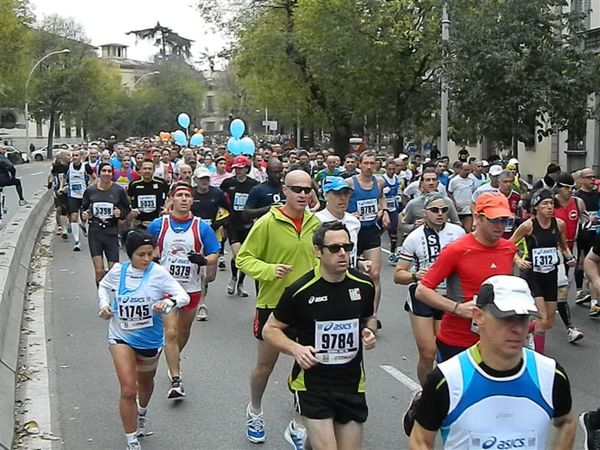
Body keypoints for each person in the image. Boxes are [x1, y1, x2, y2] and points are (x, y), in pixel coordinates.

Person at [409, 275, 576, 450]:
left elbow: (567, 422)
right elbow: (420, 440)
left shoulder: (551, 374)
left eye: (523, 317)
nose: (518, 329)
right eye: (506, 317)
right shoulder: (447, 379)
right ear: (478, 316)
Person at [262, 221, 377, 450]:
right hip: (313, 384)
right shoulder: (300, 291)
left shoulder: (364, 285)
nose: (342, 253)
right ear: (318, 251)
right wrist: (296, 349)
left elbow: (368, 318)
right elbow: (270, 330)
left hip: (351, 383)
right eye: (334, 248)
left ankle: (307, 444)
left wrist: (369, 332)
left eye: (347, 246)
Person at [236, 169, 321, 445]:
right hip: (273, 305)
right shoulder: (267, 223)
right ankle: (255, 409)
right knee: (265, 366)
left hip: (309, 306)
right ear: (284, 191)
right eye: (297, 189)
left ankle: (298, 423)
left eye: (307, 190)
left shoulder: (315, 223)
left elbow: (324, 260)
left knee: (309, 363)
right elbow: (243, 259)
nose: (302, 195)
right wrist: (270, 270)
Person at [98, 230, 190, 450]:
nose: (147, 259)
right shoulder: (118, 271)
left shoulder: (158, 273)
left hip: (149, 339)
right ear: (130, 254)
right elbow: (103, 285)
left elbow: (183, 296)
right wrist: (103, 305)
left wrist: (167, 304)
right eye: (141, 254)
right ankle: (131, 439)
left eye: (150, 253)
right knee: (128, 389)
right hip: (121, 336)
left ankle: (141, 412)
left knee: (145, 383)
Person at [416, 192, 517, 361]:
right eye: (494, 220)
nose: (500, 226)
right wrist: (458, 308)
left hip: (495, 339)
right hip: (457, 341)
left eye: (505, 220)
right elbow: (422, 290)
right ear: (478, 218)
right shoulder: (456, 249)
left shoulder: (508, 249)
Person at [147, 182, 220, 399]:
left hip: (191, 288)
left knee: (183, 332)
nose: (184, 199)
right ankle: (176, 380)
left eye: (188, 195)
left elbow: (215, 252)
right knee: (170, 331)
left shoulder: (201, 227)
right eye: (179, 195)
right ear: (172, 199)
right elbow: (144, 249)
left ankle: (173, 358)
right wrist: (153, 259)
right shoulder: (159, 225)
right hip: (167, 289)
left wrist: (204, 260)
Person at [394, 193, 465, 386]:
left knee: (446, 350)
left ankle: (447, 390)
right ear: (425, 212)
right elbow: (398, 275)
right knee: (428, 352)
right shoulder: (414, 237)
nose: (440, 214)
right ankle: (427, 393)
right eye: (435, 210)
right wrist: (415, 275)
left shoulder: (458, 233)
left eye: (444, 210)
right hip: (422, 297)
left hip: (448, 297)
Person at [510, 189, 581, 351]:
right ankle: (538, 356)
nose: (550, 207)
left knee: (548, 321)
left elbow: (563, 246)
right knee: (542, 316)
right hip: (533, 274)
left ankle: (523, 332)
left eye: (551, 203)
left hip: (551, 274)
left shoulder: (559, 224)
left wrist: (569, 257)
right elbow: (508, 245)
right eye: (545, 204)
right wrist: (518, 260)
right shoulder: (528, 226)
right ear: (536, 207)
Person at [346, 151, 391, 326]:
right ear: (360, 164)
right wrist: (350, 215)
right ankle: (353, 312)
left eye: (372, 163)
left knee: (374, 274)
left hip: (371, 230)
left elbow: (381, 198)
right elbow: (337, 201)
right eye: (366, 163)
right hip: (353, 232)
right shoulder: (350, 183)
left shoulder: (379, 182)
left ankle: (372, 316)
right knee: (352, 274)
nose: (369, 166)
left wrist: (384, 211)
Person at [82, 163, 132, 286]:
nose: (106, 173)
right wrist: (85, 215)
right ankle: (102, 298)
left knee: (113, 270)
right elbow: (83, 207)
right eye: (104, 171)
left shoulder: (118, 190)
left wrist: (120, 213)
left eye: (109, 171)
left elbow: (127, 209)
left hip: (111, 232)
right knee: (99, 271)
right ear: (99, 173)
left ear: (112, 174)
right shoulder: (90, 191)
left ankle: (114, 299)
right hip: (95, 232)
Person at [190, 166, 230, 320]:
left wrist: (217, 224)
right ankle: (201, 304)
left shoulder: (217, 193)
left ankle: (202, 287)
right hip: (194, 236)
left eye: (206, 178)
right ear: (196, 180)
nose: (204, 182)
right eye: (201, 179)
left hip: (213, 235)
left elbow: (229, 211)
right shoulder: (191, 194)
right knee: (200, 271)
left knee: (210, 276)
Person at [220, 156, 259, 296]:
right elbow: (221, 201)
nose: (238, 171)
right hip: (233, 223)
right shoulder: (227, 183)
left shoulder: (254, 184)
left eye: (241, 168)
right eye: (236, 168)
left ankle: (241, 283)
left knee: (245, 256)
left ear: (247, 169)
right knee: (238, 255)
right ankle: (233, 278)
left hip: (248, 224)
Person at [315, 177, 361, 269]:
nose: (343, 198)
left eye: (346, 193)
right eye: (337, 194)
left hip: (349, 275)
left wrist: (359, 262)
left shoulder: (354, 222)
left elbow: (352, 251)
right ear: (325, 195)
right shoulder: (316, 221)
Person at [574, 167, 599, 307]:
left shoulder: (597, 194)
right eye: (589, 177)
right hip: (584, 234)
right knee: (581, 261)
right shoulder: (577, 196)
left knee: (595, 264)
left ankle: (593, 295)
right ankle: (579, 290)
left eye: (593, 177)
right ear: (582, 179)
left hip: (597, 234)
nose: (592, 180)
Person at [127, 160, 169, 230]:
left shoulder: (161, 183)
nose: (147, 171)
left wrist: (166, 208)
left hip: (157, 222)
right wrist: (132, 210)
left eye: (150, 169)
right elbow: (128, 199)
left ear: (154, 170)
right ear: (141, 170)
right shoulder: (134, 184)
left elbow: (170, 196)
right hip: (139, 223)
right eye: (145, 168)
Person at [65, 150, 93, 251]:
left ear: (81, 157)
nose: (74, 157)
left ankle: (83, 224)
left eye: (76, 155)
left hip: (84, 195)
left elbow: (93, 177)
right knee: (74, 217)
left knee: (84, 216)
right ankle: (77, 241)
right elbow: (64, 177)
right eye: (73, 155)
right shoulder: (69, 166)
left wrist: (93, 188)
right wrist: (62, 186)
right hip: (72, 195)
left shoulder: (86, 166)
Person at [381, 160, 402, 263]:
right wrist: (383, 191)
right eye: (390, 169)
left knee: (393, 230)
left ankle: (392, 253)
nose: (392, 171)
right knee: (379, 229)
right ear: (386, 169)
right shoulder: (382, 179)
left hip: (393, 208)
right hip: (383, 208)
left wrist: (398, 198)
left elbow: (398, 191)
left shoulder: (397, 179)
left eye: (394, 169)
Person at [447, 162, 476, 232]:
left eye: (469, 170)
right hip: (457, 209)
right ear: (460, 170)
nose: (467, 172)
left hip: (468, 209)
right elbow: (449, 193)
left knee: (468, 229)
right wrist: (454, 204)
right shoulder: (454, 180)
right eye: (465, 170)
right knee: (457, 229)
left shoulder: (471, 180)